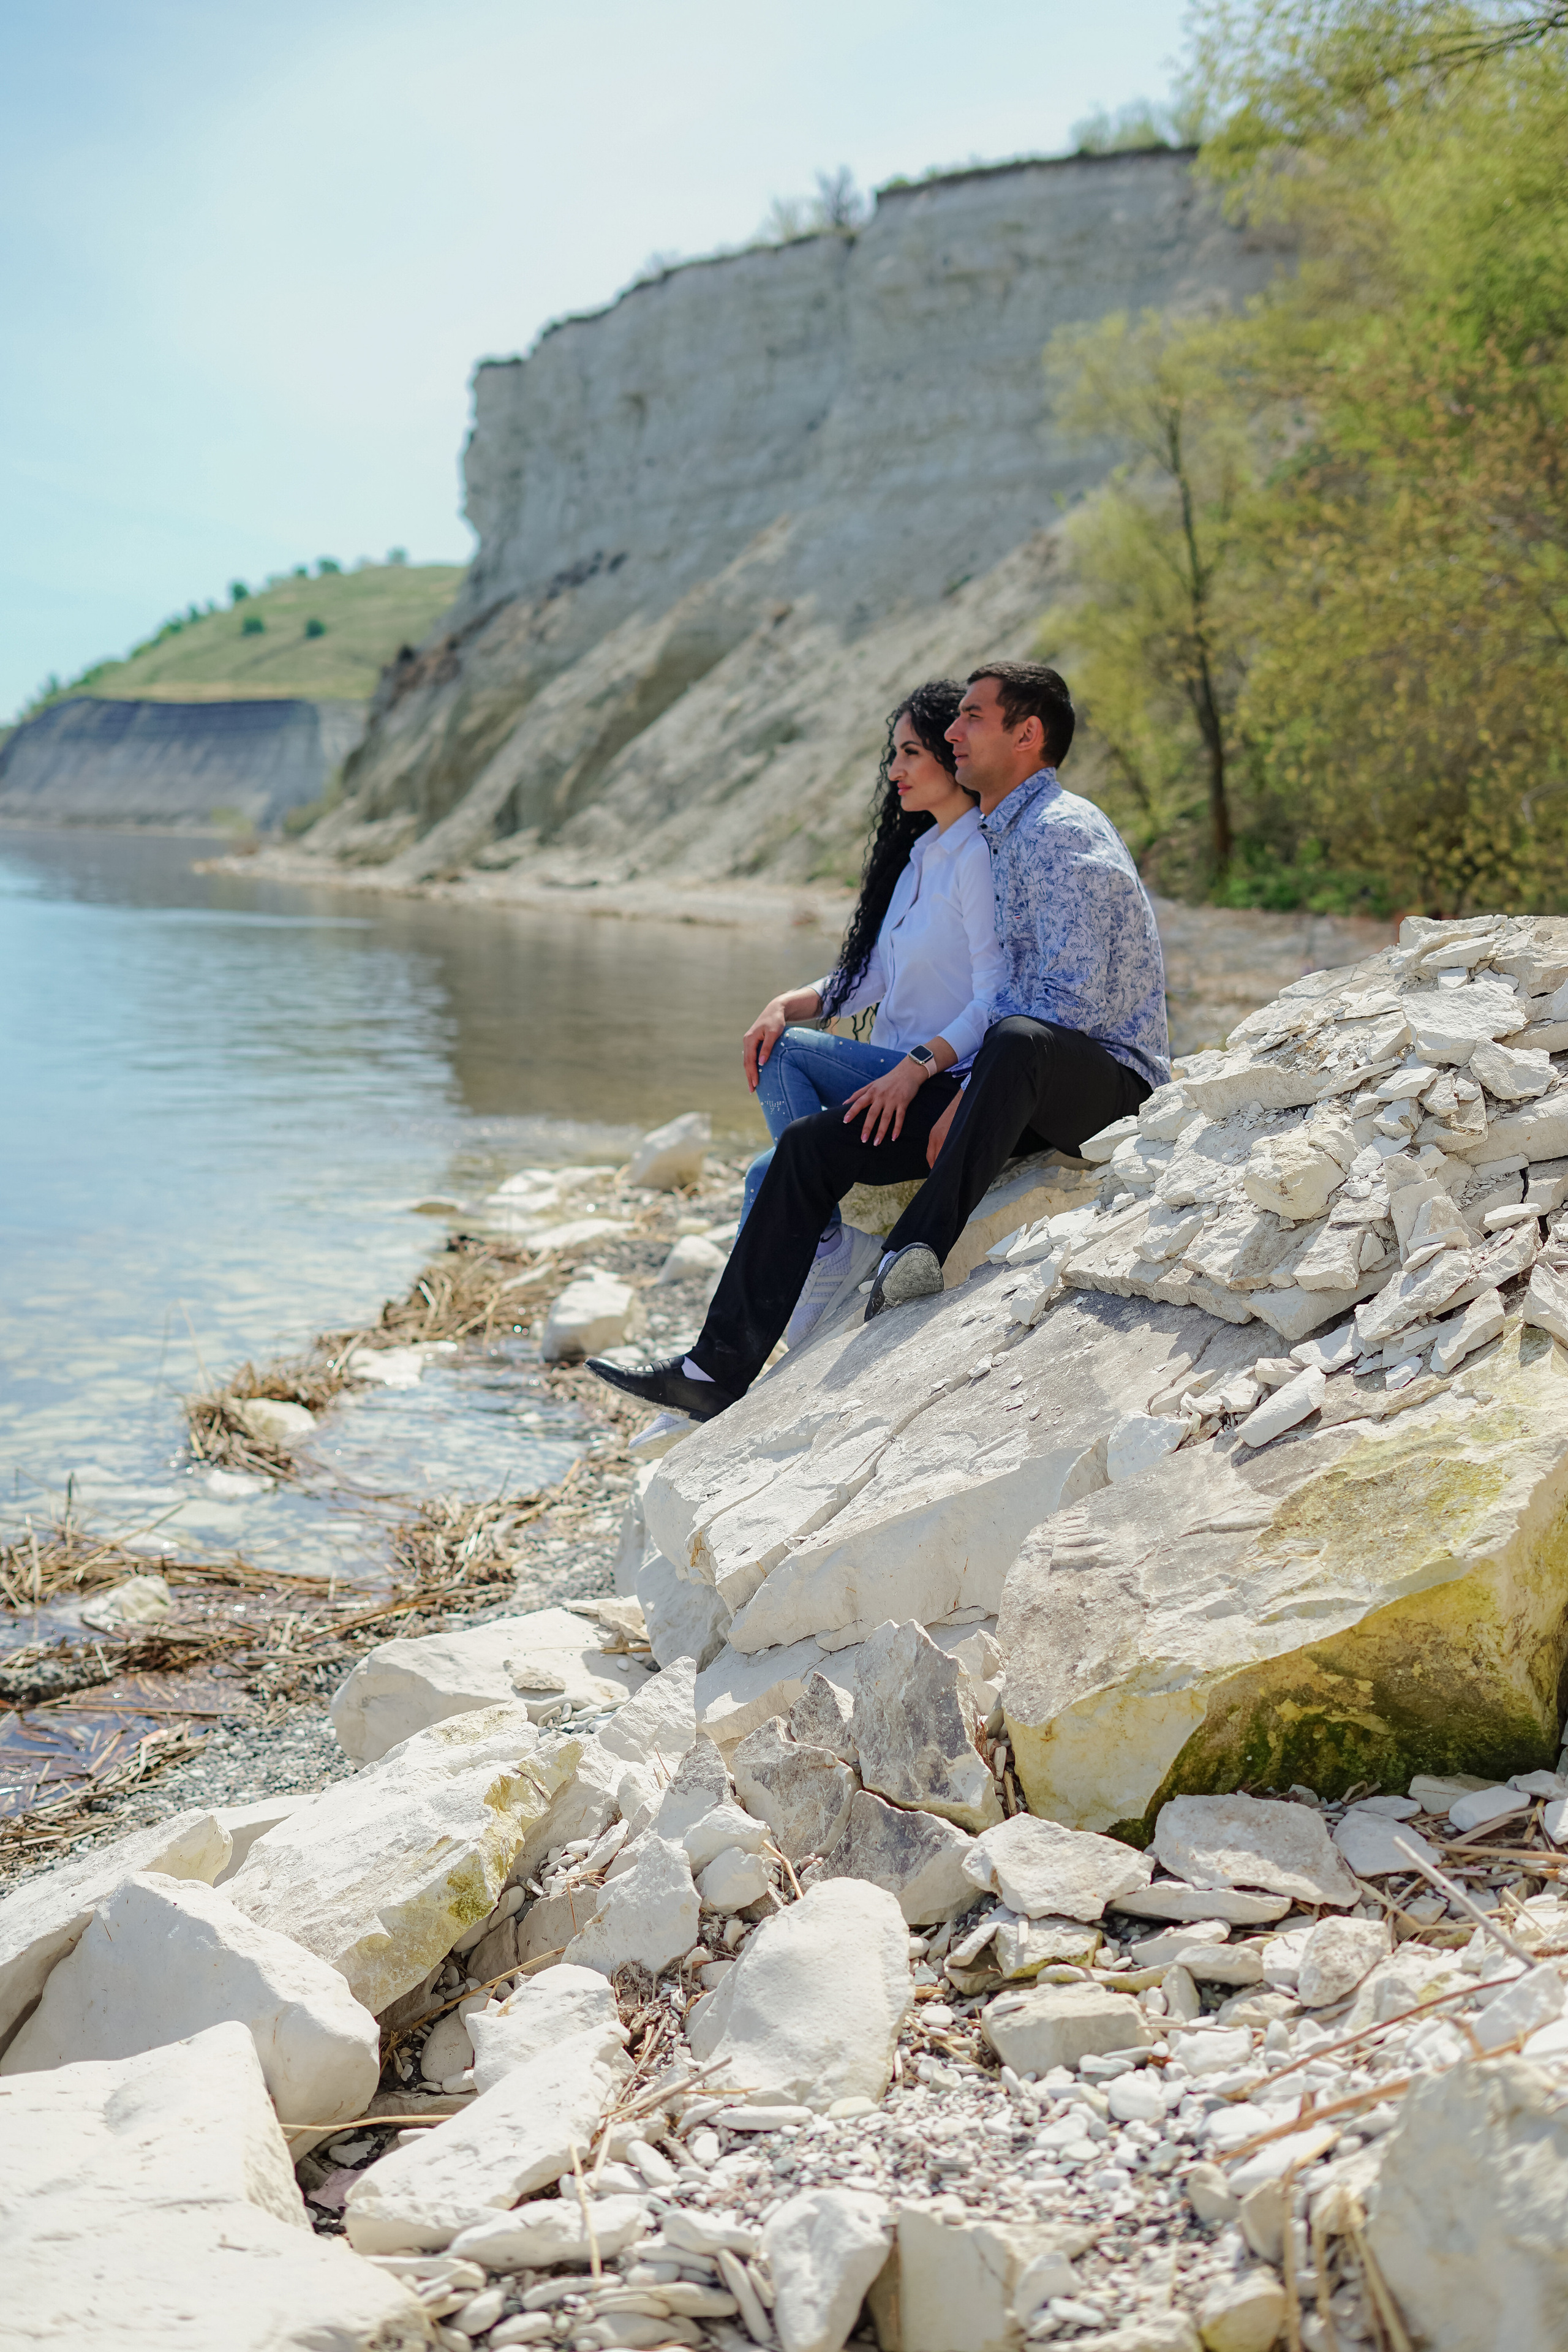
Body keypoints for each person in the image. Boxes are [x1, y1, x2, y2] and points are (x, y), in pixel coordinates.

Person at [589, 660, 1168, 1423]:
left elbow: (1071, 1001)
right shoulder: (995, 836)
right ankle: (712, 1371)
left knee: (1020, 1037)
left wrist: (954, 1091)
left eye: (971, 719)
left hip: (1106, 1084)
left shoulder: (1059, 832)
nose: (952, 734)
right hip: (1008, 1082)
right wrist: (958, 1092)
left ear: (1027, 736)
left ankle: (910, 1251)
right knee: (804, 1149)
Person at [734, 678, 1005, 1348]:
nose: (896, 770)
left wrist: (926, 1068)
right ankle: (751, 1351)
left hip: (940, 1080)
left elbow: (996, 996)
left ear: (952, 753)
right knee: (764, 1169)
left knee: (788, 1052)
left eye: (911, 753)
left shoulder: (978, 855)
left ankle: (824, 1244)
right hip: (888, 1072)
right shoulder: (921, 856)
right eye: (895, 754)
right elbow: (876, 974)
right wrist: (791, 1000)